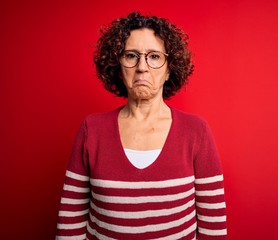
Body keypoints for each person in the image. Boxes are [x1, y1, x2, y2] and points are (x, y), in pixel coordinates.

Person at [56, 12, 227, 239]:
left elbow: (213, 225)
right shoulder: (91, 129)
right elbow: (71, 220)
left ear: (169, 70)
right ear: (118, 65)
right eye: (131, 55)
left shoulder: (196, 132)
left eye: (154, 56)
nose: (142, 67)